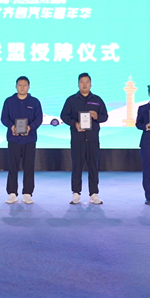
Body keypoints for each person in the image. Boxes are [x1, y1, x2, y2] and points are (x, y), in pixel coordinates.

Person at [60, 72, 108, 205]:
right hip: (78, 138)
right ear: (78, 84)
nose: (84, 84)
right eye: (82, 82)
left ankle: (94, 194)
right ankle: (76, 193)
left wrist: (97, 116)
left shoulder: (97, 100)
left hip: (92, 139)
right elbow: (64, 116)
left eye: (87, 82)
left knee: (93, 166)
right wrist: (75, 123)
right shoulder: (71, 100)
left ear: (91, 84)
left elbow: (105, 116)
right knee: (77, 166)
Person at [0, 76, 43, 204]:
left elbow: (39, 119)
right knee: (12, 166)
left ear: (29, 87)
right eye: (20, 85)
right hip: (13, 139)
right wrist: (11, 126)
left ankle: (27, 193)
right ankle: (12, 193)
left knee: (29, 166)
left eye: (25, 85)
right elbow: (4, 118)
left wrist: (30, 127)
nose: (22, 87)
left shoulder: (34, 102)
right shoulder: (9, 101)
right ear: (16, 86)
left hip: (29, 139)